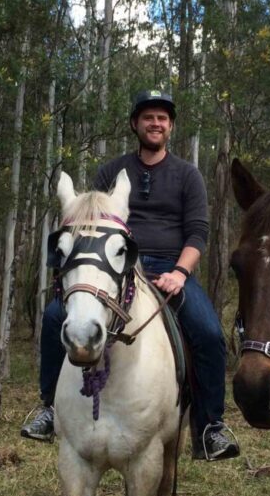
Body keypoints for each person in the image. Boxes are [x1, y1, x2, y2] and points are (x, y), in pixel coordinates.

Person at [21, 89, 240, 461]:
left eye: (162, 118)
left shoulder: (188, 175)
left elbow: (197, 233)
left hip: (171, 270)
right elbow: (90, 225)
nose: (156, 123)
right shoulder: (110, 173)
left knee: (209, 334)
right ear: (135, 124)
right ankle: (48, 408)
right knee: (55, 315)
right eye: (148, 117)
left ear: (170, 127)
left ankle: (209, 427)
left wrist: (180, 273)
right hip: (116, 269)